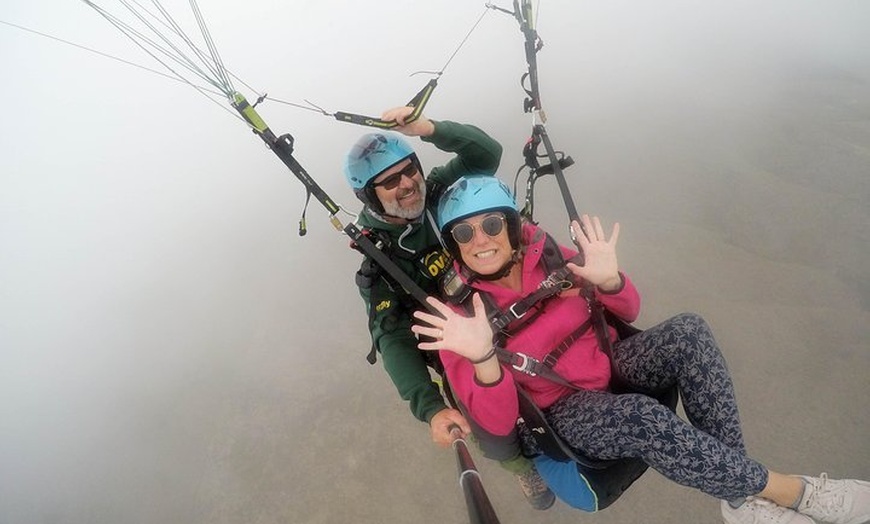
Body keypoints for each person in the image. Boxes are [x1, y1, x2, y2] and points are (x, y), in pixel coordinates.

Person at [411, 175, 870, 523]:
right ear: (454, 245)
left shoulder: (546, 257)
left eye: (491, 223)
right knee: (641, 417)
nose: (480, 240)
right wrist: (484, 359)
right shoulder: (457, 320)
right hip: (561, 412)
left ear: (512, 226)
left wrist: (609, 279)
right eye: (464, 233)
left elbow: (628, 307)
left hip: (610, 363)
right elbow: (494, 427)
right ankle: (796, 493)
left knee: (689, 330)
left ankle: (740, 499)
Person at [342, 107, 555, 509]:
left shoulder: (436, 191)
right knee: (488, 425)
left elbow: (485, 155)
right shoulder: (379, 261)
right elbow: (393, 338)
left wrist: (427, 129)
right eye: (390, 181)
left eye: (410, 170)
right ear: (369, 194)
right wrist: (432, 408)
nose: (408, 184)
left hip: (505, 305)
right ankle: (522, 468)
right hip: (456, 350)